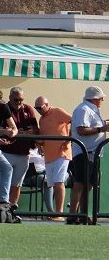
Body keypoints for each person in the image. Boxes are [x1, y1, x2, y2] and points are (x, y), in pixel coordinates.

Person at [69, 85, 107, 222]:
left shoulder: (91, 110)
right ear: (95, 98)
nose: (102, 100)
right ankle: (73, 215)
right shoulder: (83, 109)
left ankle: (83, 214)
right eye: (101, 98)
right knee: (80, 183)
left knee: (89, 184)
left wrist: (103, 126)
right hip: (84, 152)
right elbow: (81, 130)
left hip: (93, 153)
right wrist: (102, 128)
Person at [33, 96, 72, 220]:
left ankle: (59, 213)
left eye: (40, 107)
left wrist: (68, 140)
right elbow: (43, 137)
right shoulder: (41, 120)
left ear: (47, 104)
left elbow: (74, 121)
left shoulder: (58, 111)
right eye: (36, 108)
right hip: (49, 156)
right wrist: (39, 145)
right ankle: (53, 212)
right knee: (51, 183)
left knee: (58, 182)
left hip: (62, 153)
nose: (38, 109)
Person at [2, 86, 39, 206]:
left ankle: (12, 209)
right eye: (16, 100)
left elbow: (35, 130)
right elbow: (4, 129)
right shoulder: (4, 108)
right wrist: (22, 131)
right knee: (2, 182)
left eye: (21, 100)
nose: (19, 102)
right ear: (10, 98)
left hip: (24, 153)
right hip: (6, 152)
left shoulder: (28, 109)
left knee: (17, 184)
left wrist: (18, 132)